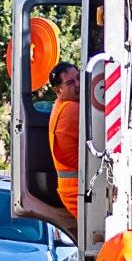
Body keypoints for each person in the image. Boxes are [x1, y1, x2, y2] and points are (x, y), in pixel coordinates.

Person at [46, 62, 84, 218]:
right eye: (70, 83)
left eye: (78, 78)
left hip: (71, 189)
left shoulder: (60, 105)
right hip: (78, 190)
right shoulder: (72, 109)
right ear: (58, 90)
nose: (78, 84)